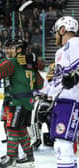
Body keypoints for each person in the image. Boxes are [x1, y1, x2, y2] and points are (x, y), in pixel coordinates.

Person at [0, 38, 44, 168]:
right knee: (21, 129)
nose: (7, 50)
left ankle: (11, 157)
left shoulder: (11, 62)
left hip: (17, 101)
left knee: (12, 129)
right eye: (6, 48)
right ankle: (29, 157)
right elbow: (40, 83)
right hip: (28, 102)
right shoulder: (30, 65)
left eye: (11, 48)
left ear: (19, 50)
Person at [43, 16, 79, 168]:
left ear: (63, 29)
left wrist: (75, 75)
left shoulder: (75, 43)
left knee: (63, 145)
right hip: (63, 102)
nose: (55, 35)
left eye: (57, 32)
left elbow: (75, 71)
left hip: (71, 101)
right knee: (62, 144)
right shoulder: (61, 52)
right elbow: (57, 81)